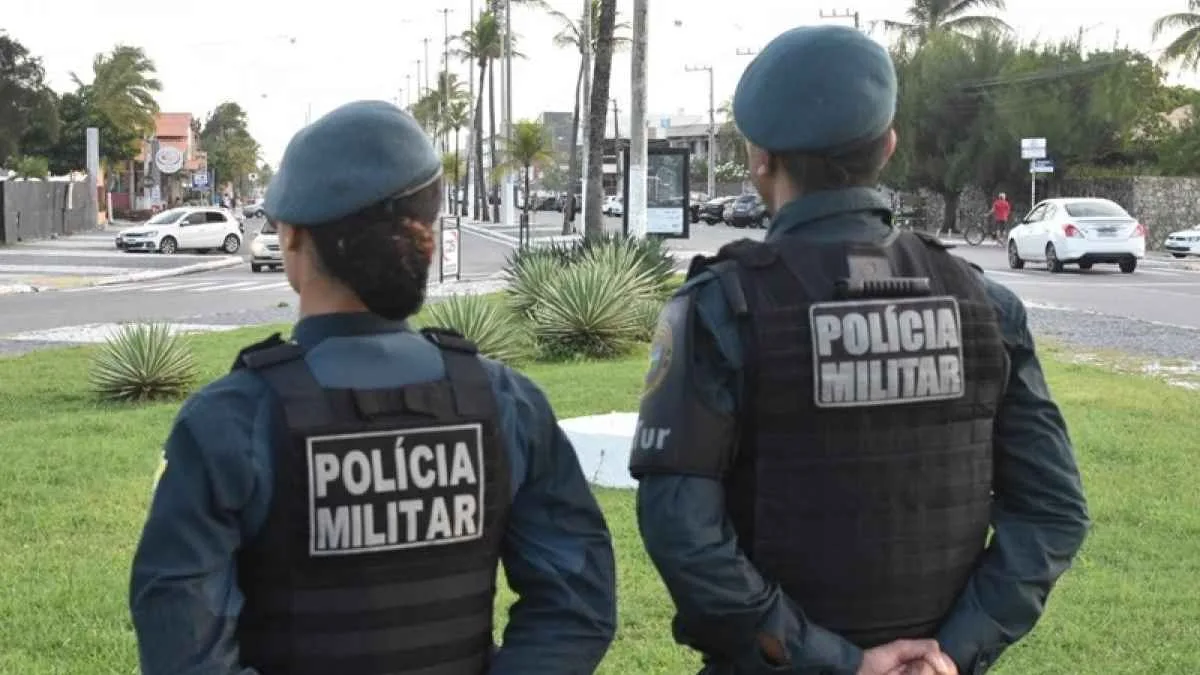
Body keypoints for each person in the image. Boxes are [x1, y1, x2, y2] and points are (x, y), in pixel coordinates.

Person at [628, 25, 1090, 675]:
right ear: (889, 146)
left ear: (760, 159)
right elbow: (1053, 510)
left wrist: (836, 662)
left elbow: (680, 528)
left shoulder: (719, 309)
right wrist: (951, 652)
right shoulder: (983, 304)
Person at [130, 100, 617, 675]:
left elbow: (182, 645)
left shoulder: (228, 421)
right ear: (426, 232)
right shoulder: (506, 403)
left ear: (292, 237)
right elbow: (577, 605)